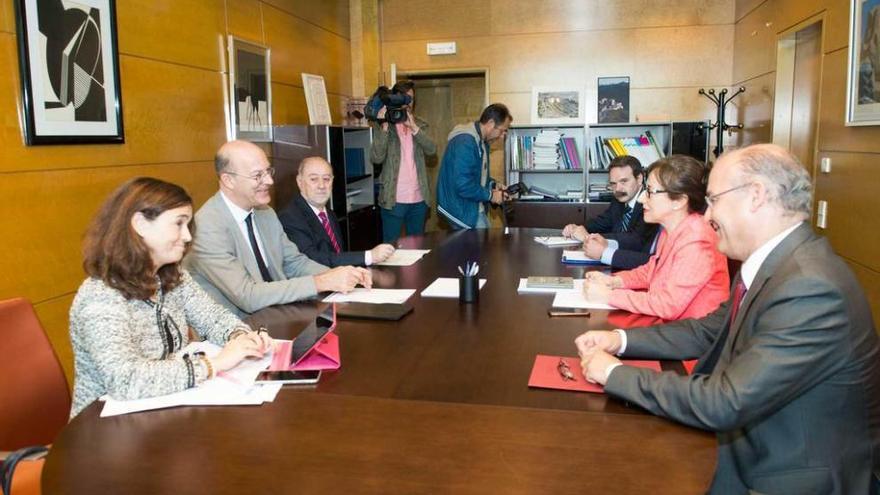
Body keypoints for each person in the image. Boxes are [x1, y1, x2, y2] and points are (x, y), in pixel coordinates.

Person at [575, 144, 880, 494]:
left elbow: (727, 402)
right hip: (751, 441)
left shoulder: (809, 287)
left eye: (714, 200)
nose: (706, 216)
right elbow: (707, 330)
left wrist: (613, 372)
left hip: (784, 473)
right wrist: (620, 340)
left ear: (756, 196)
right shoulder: (776, 264)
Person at [68, 178, 273, 418]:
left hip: (163, 411)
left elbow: (213, 318)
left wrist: (241, 337)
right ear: (140, 224)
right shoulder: (100, 296)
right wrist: (214, 364)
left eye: (188, 225)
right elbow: (125, 380)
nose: (187, 236)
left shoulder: (173, 277)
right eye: (178, 224)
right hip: (105, 429)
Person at [183, 140, 371, 317]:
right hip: (239, 330)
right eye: (258, 176)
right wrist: (321, 282)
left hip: (280, 314)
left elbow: (293, 262)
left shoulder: (265, 213)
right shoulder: (206, 228)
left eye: (268, 172)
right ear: (228, 180)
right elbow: (248, 296)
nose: (269, 182)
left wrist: (339, 274)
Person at [582, 155, 729, 320]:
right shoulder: (671, 229)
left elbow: (667, 304)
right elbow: (651, 272)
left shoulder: (698, 241)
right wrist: (613, 281)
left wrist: (609, 296)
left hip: (691, 338)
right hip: (670, 326)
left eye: (650, 192)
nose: (641, 198)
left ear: (679, 201)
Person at [278, 156, 395, 267]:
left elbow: (337, 255)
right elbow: (312, 260)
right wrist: (369, 256)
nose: (321, 185)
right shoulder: (290, 218)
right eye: (313, 179)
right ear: (299, 182)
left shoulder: (329, 213)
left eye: (326, 179)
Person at [369, 80, 437, 242]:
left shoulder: (420, 124)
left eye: (411, 99)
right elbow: (376, 158)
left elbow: (432, 150)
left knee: (417, 247)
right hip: (393, 199)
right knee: (390, 248)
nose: (408, 102)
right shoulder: (386, 125)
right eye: (404, 98)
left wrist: (414, 128)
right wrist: (384, 126)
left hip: (419, 200)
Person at [562, 155, 658, 270]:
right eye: (613, 183)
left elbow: (635, 240)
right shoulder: (620, 201)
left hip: (636, 267)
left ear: (639, 179)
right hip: (619, 265)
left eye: (624, 181)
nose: (618, 189)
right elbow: (602, 222)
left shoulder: (650, 204)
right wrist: (577, 227)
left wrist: (588, 237)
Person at [436, 103, 511, 229]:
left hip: (471, 206)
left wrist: (494, 185)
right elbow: (463, 184)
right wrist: (491, 196)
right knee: (481, 246)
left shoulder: (481, 141)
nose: (503, 135)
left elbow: (477, 176)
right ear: (491, 123)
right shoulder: (465, 142)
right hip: (459, 208)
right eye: (502, 130)